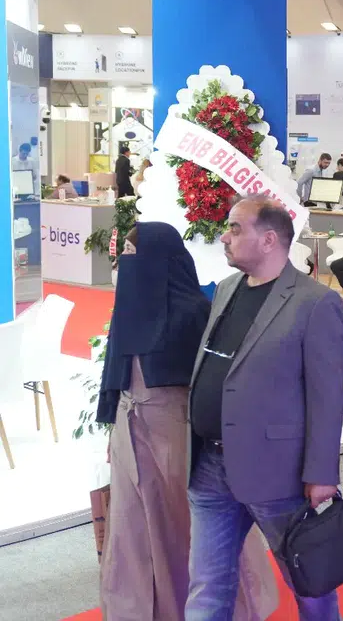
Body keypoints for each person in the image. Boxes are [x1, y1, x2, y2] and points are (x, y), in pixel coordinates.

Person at [96, 223, 276, 620]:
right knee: (134, 526)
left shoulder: (195, 311)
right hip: (130, 431)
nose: (125, 262)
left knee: (189, 524)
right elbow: (115, 370)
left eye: (132, 253)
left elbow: (219, 381)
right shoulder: (130, 307)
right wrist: (112, 426)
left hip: (178, 431)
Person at [185, 196, 343, 620]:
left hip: (279, 472)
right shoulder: (226, 289)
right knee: (207, 586)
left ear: (270, 239)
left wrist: (322, 473)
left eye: (235, 228)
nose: (225, 237)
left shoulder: (315, 303)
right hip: (209, 466)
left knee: (310, 584)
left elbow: (328, 397)